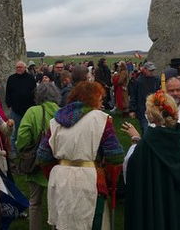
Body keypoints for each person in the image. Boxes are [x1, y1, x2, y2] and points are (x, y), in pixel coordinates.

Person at [37, 81, 124, 230]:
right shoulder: (101, 119)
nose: (102, 104)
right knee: (90, 222)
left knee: (63, 222)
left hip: (60, 179)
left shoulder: (55, 121)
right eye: (101, 99)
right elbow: (115, 156)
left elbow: (43, 156)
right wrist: (109, 178)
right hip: (88, 178)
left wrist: (56, 171)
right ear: (93, 99)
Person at [122, 90, 180, 230]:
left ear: (152, 114)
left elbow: (132, 168)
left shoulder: (150, 140)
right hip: (177, 198)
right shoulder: (178, 136)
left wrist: (135, 144)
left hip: (155, 202)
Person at [15, 82, 61, 230]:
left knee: (34, 202)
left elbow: (22, 135)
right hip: (56, 163)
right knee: (56, 202)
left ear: (38, 95)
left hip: (35, 163)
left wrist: (22, 148)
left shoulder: (32, 111)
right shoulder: (62, 112)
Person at [5, 61, 36, 151]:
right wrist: (8, 104)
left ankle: (27, 151)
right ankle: (14, 154)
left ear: (25, 68)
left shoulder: (30, 78)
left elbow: (35, 92)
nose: (18, 69)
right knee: (14, 133)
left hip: (29, 110)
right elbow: (8, 92)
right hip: (15, 110)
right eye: (17, 67)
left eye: (20, 67)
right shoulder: (11, 78)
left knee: (28, 131)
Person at [129, 61, 160, 133]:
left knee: (155, 128)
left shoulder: (157, 80)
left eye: (153, 70)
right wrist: (132, 109)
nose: (152, 72)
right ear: (144, 70)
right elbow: (133, 95)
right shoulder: (138, 81)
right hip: (142, 109)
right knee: (146, 129)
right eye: (150, 70)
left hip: (155, 108)